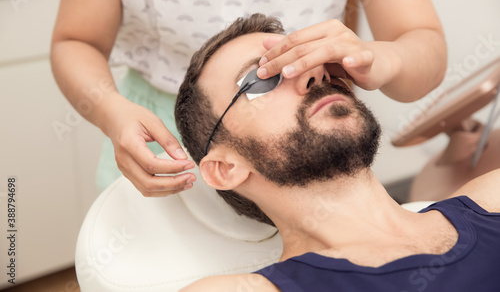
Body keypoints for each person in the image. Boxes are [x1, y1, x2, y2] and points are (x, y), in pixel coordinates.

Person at [51, 0, 446, 196]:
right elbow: (75, 40)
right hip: (158, 137)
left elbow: (423, 47)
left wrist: (381, 58)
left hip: (310, 146)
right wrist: (110, 111)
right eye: (257, 80)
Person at [175, 14, 500, 291]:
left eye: (313, 60)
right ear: (225, 168)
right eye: (261, 80)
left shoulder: (491, 199)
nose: (312, 73)